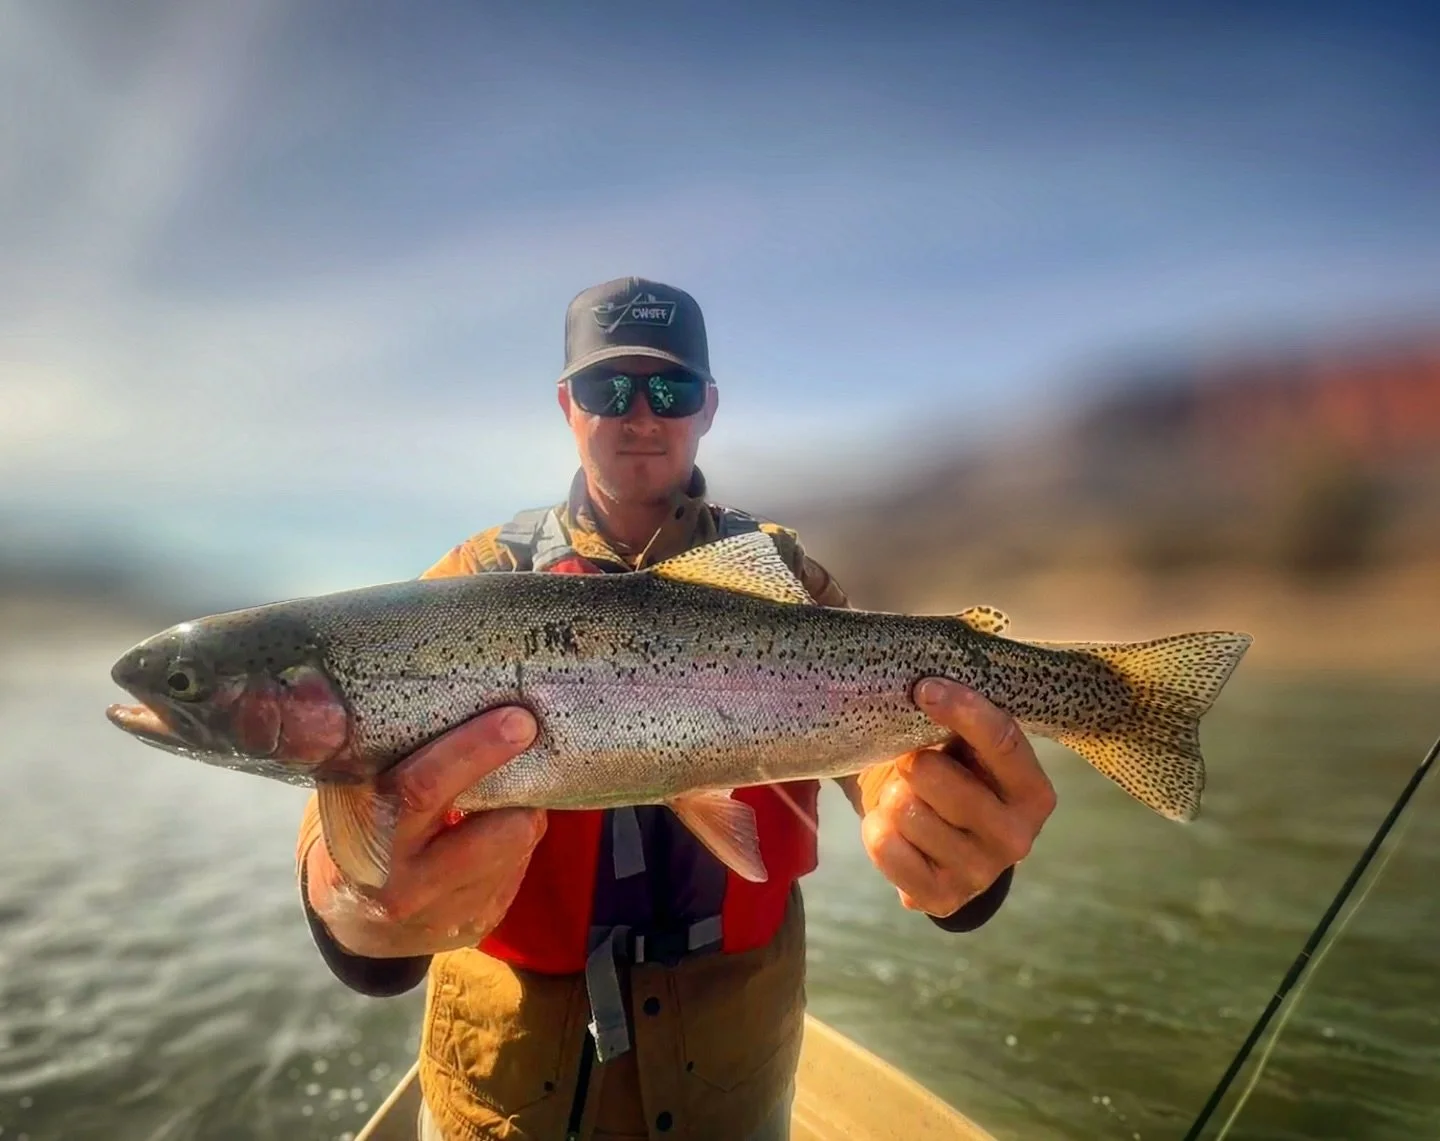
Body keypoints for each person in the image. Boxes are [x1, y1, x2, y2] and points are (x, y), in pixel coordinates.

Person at [294, 278, 1057, 1141]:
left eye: (671, 388)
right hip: (505, 1091)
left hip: (731, 1081)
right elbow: (353, 763)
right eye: (608, 387)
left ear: (708, 407)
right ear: (567, 405)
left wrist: (946, 839)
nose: (640, 415)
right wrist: (345, 899)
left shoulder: (783, 576)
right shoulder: (478, 579)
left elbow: (884, 748)